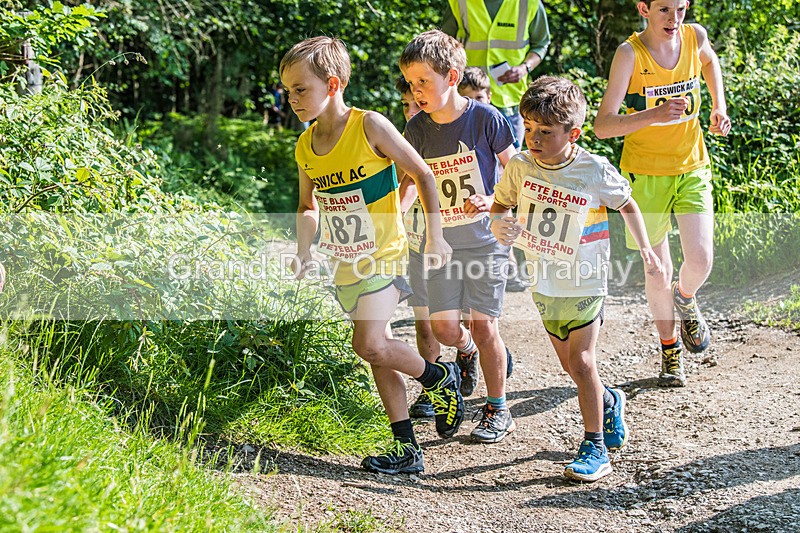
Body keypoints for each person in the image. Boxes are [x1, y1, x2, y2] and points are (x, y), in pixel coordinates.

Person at [280, 36, 465, 475]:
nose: (292, 99)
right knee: (376, 352)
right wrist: (304, 251)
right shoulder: (305, 146)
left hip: (387, 255)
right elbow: (308, 206)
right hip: (345, 262)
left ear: (333, 83)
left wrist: (435, 235)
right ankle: (407, 449)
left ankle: (438, 378)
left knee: (368, 342)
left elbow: (421, 172)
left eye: (300, 89)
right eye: (287, 91)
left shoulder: (371, 126)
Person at [490, 75, 663, 481]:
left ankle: (594, 445)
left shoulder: (592, 169)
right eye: (528, 128)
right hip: (544, 279)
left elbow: (629, 205)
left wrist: (646, 250)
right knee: (570, 365)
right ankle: (608, 401)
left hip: (586, 277)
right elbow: (501, 207)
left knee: (583, 363)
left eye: (545, 132)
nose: (533, 138)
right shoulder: (519, 166)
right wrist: (501, 226)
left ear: (574, 133)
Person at [594, 0, 731, 387]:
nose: (674, 19)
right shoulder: (628, 54)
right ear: (644, 8)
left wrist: (718, 106)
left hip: (692, 165)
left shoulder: (694, 36)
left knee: (701, 260)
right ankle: (670, 350)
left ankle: (685, 299)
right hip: (645, 174)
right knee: (658, 269)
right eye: (665, 10)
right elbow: (603, 126)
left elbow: (709, 62)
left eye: (681, 9)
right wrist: (652, 115)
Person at [400, 30, 517, 443]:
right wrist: (396, 217)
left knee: (486, 328)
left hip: (485, 240)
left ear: (451, 77)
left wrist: (492, 199)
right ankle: (465, 353)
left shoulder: (486, 118)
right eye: (412, 84)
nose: (417, 92)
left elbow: (515, 173)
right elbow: (411, 181)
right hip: (440, 242)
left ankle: (497, 407)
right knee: (446, 329)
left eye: (423, 83)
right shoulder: (416, 128)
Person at [458, 66, 529, 293]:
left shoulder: (495, 122)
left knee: (501, 222)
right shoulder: (458, 128)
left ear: (489, 97)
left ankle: (510, 267)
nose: (475, 103)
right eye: (468, 99)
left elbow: (513, 163)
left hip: (497, 187)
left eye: (479, 97)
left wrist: (496, 194)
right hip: (469, 194)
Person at [442, 0, 551, 147]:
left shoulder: (530, 3)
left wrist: (524, 68)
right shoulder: (458, 2)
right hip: (466, 98)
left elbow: (541, 44)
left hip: (509, 99)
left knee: (510, 165)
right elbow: (444, 45)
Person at [394, 75, 440, 419]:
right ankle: (432, 388)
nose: (412, 111)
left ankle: (468, 351)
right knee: (423, 322)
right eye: (405, 106)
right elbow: (403, 187)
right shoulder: (398, 139)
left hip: (454, 239)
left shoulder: (444, 131)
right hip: (415, 242)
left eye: (417, 104)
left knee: (455, 321)